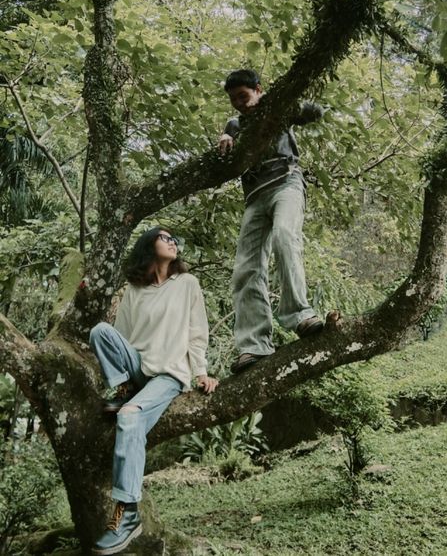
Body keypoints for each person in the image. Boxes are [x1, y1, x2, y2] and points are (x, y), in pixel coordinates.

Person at [89, 226, 218, 555]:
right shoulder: (134, 289)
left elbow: (197, 332)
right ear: (149, 246)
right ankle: (122, 391)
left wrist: (200, 371)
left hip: (167, 375)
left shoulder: (186, 284)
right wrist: (124, 376)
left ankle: (126, 513)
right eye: (165, 237)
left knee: (130, 418)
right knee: (101, 331)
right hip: (136, 369)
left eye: (175, 239)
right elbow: (120, 336)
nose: (172, 242)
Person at [218, 68, 325, 374]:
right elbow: (228, 145)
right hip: (254, 197)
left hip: (286, 183)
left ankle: (299, 314)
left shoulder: (277, 108)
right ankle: (254, 345)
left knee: (284, 236)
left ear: (258, 90)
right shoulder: (236, 124)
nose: (240, 103)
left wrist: (283, 105)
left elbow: (315, 112)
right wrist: (226, 136)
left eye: (244, 96)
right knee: (245, 268)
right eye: (234, 99)